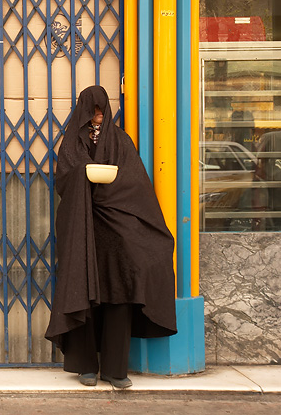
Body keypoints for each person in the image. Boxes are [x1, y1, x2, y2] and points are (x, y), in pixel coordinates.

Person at [45, 85, 177, 388]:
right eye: (92, 110)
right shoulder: (72, 142)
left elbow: (135, 184)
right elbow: (64, 179)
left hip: (117, 235)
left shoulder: (120, 141)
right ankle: (86, 367)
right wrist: (84, 174)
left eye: (101, 109)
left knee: (119, 295)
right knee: (82, 293)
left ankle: (116, 371)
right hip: (82, 228)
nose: (97, 116)